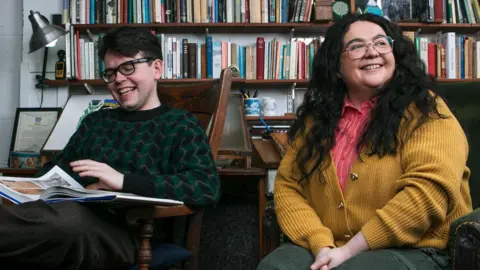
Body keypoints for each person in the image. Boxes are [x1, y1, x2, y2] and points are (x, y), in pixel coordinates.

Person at [257, 13, 472, 270]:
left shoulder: (427, 110)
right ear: (337, 65)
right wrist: (320, 244)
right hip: (330, 244)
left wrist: (349, 252)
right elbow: (288, 186)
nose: (372, 52)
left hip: (415, 247)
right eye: (356, 46)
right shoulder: (317, 121)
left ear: (395, 54)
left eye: (381, 42)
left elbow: (428, 194)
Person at [0, 27, 220, 269]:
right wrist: (27, 187)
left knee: (65, 223)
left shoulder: (180, 125)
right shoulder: (96, 122)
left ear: (156, 68)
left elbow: (205, 186)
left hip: (130, 232)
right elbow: (58, 170)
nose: (118, 79)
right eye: (110, 72)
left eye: (127, 68)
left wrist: (123, 181)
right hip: (69, 216)